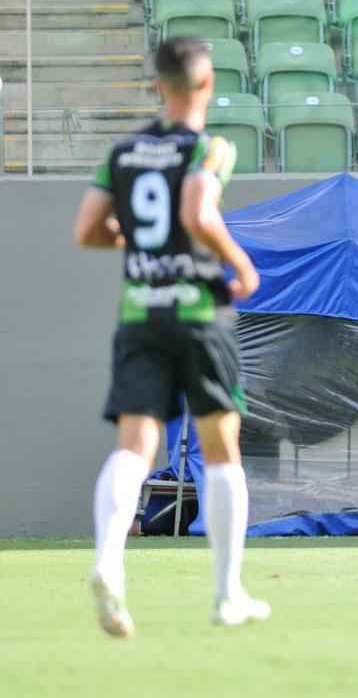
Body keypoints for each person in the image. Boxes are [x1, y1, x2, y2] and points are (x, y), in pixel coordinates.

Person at [73, 37, 268, 637]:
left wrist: (137, 244)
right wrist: (239, 263)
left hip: (140, 312)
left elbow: (87, 231)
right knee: (221, 449)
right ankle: (226, 594)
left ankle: (109, 560)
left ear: (158, 85)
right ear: (207, 84)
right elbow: (196, 215)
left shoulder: (124, 151)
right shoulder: (211, 148)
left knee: (134, 447)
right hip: (199, 313)